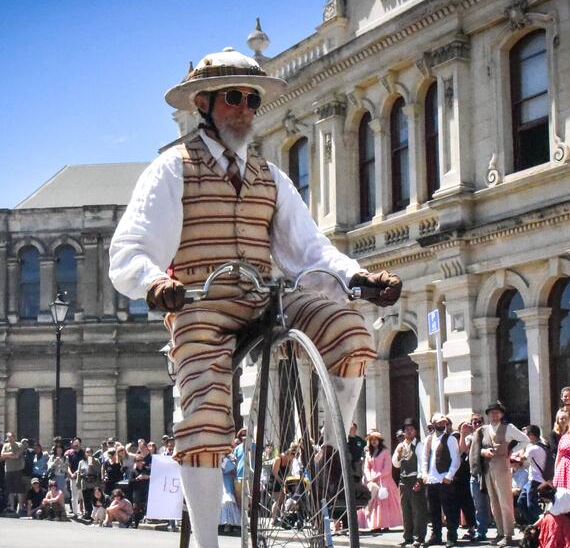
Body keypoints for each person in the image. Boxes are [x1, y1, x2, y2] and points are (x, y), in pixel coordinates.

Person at [109, 46, 401, 548]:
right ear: (204, 104)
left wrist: (357, 279)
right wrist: (156, 283)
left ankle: (330, 458)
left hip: (267, 297)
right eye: (233, 98)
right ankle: (208, 543)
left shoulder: (272, 178)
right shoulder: (172, 170)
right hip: (200, 303)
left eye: (251, 98)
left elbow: (309, 249)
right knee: (204, 413)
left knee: (352, 332)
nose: (244, 107)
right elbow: (131, 248)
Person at [470, 400, 529, 547]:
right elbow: (478, 448)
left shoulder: (508, 427)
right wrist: (484, 452)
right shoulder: (483, 430)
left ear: (502, 414)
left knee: (505, 502)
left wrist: (510, 451)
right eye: (491, 412)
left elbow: (525, 439)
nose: (494, 414)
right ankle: (500, 531)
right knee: (494, 503)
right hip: (488, 467)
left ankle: (508, 534)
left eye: (497, 412)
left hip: (502, 466)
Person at [422, 414, 460, 547]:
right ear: (433, 424)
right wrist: (424, 475)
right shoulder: (429, 439)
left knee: (449, 510)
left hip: (444, 479)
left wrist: (449, 476)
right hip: (432, 480)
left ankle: (452, 536)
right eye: (439, 423)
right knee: (433, 511)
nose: (441, 425)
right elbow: (425, 458)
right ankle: (436, 535)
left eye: (443, 423)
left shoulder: (450, 439)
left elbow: (456, 460)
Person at [357, 429, 402, 532]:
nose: (374, 441)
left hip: (384, 481)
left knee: (384, 503)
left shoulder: (385, 452)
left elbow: (387, 468)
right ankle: (375, 525)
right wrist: (369, 477)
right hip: (372, 482)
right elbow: (366, 467)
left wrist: (377, 476)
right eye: (372, 439)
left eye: (376, 439)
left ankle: (385, 524)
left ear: (379, 441)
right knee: (373, 503)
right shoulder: (369, 453)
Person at [392, 418, 427, 547]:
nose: (408, 432)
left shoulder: (419, 445)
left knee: (418, 510)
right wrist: (399, 455)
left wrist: (420, 480)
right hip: (403, 481)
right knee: (405, 510)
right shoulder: (401, 446)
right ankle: (408, 537)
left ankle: (419, 536)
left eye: (411, 429)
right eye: (406, 429)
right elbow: (395, 463)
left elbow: (422, 463)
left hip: (414, 479)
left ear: (415, 431)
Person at [462, 412, 490, 542]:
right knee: (479, 505)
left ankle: (503, 531)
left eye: (479, 422)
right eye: (474, 422)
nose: (477, 424)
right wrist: (463, 433)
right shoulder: (470, 437)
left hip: (489, 472)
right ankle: (481, 531)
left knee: (495, 504)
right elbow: (462, 449)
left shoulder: (489, 433)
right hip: (475, 474)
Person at [516, 425, 549, 525]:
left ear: (531, 436)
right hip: (532, 480)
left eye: (525, 435)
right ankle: (532, 524)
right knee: (521, 502)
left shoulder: (533, 449)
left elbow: (521, 458)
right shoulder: (543, 445)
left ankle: (540, 524)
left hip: (536, 480)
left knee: (531, 506)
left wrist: (522, 446)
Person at [453, 421, 477, 541]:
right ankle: (454, 530)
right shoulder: (456, 437)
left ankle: (472, 528)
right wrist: (462, 433)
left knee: (468, 503)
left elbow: (463, 450)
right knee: (456, 504)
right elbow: (460, 450)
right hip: (456, 474)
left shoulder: (474, 436)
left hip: (467, 473)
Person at [1, 431, 26, 514]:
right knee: (10, 490)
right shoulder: (5, 445)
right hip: (8, 470)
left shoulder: (19, 445)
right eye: (8, 437)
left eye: (11, 437)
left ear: (14, 437)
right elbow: (1, 456)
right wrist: (11, 454)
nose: (10, 439)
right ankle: (12, 507)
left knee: (19, 490)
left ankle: (21, 507)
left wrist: (7, 455)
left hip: (17, 470)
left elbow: (17, 456)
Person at [76, 447, 102, 519]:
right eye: (87, 452)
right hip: (85, 483)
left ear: (92, 453)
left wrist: (92, 464)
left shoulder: (96, 461)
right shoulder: (81, 462)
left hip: (94, 483)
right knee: (86, 499)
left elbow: (99, 471)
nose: (88, 453)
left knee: (94, 499)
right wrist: (78, 483)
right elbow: (79, 473)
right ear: (85, 453)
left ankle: (95, 514)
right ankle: (88, 513)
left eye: (90, 452)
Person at [220, 448, 241, 532]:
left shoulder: (230, 459)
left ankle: (228, 524)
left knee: (228, 501)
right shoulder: (220, 459)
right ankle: (221, 524)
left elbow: (233, 471)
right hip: (220, 483)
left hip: (228, 483)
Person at [129, 455, 151, 527]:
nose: (139, 462)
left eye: (140, 461)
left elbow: (154, 477)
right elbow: (130, 482)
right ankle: (136, 523)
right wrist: (137, 478)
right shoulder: (133, 471)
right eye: (137, 461)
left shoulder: (147, 469)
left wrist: (147, 477)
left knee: (146, 506)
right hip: (137, 491)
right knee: (136, 507)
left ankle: (145, 521)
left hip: (146, 490)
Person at [66, 437, 84, 518]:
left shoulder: (83, 454)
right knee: (74, 496)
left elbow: (83, 465)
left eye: (77, 443)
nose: (76, 445)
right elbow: (68, 466)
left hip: (81, 477)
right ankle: (75, 513)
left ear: (80, 444)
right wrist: (71, 474)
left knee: (82, 495)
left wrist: (76, 473)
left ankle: (83, 512)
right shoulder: (70, 454)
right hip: (72, 478)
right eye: (74, 443)